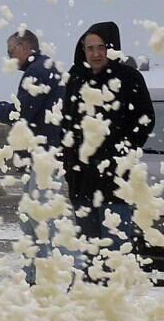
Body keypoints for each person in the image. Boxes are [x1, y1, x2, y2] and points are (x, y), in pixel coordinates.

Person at [0, 29, 80, 285]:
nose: (9, 59)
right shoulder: (46, 68)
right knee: (34, 218)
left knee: (43, 220)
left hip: (45, 158)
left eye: (11, 53)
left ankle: (57, 276)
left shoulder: (38, 72)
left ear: (24, 47)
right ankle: (38, 276)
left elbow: (21, 116)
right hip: (48, 155)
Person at [61, 21, 155, 284]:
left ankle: (112, 303)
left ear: (111, 48)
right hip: (83, 181)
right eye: (90, 48)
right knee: (86, 252)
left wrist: (123, 150)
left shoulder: (129, 78)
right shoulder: (76, 77)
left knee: (115, 251)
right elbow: (67, 125)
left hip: (117, 183)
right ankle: (83, 301)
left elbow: (146, 119)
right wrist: (70, 167)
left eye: (101, 47)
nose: (96, 53)